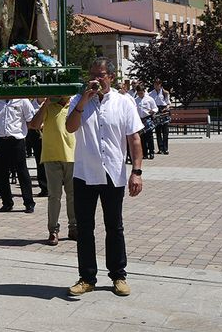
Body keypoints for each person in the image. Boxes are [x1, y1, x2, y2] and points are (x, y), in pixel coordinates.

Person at [66, 57, 144, 297]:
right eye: (92, 74)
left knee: (114, 226)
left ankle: (118, 276)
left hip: (113, 173)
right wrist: (83, 100)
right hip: (85, 173)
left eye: (100, 75)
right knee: (84, 228)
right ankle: (87, 278)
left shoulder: (124, 102)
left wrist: (137, 172)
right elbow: (70, 127)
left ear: (111, 76)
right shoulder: (79, 100)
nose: (96, 79)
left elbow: (134, 139)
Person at [0, 99, 44, 213]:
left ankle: (29, 202)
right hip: (0, 140)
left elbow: (30, 120)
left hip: (17, 140)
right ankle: (7, 203)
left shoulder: (23, 101)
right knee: (1, 173)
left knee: (22, 172)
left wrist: (26, 131)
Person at [37, 96, 77, 245]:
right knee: (54, 196)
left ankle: (74, 227)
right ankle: (53, 230)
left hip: (73, 156)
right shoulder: (49, 106)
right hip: (51, 157)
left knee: (73, 195)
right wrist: (45, 104)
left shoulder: (76, 104)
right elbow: (34, 124)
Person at [134, 83, 158, 160]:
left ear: (144, 91)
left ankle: (151, 152)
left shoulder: (149, 99)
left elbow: (155, 108)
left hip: (147, 119)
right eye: (139, 93)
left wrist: (153, 111)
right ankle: (144, 153)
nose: (140, 94)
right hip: (140, 120)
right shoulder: (135, 100)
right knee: (142, 137)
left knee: (149, 136)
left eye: (141, 93)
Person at [149, 79, 171, 154]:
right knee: (158, 131)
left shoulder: (165, 93)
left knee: (165, 131)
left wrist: (167, 108)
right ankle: (160, 148)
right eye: (155, 84)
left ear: (160, 84)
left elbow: (168, 103)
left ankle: (166, 148)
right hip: (156, 110)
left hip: (164, 110)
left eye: (158, 84)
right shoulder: (151, 93)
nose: (156, 85)